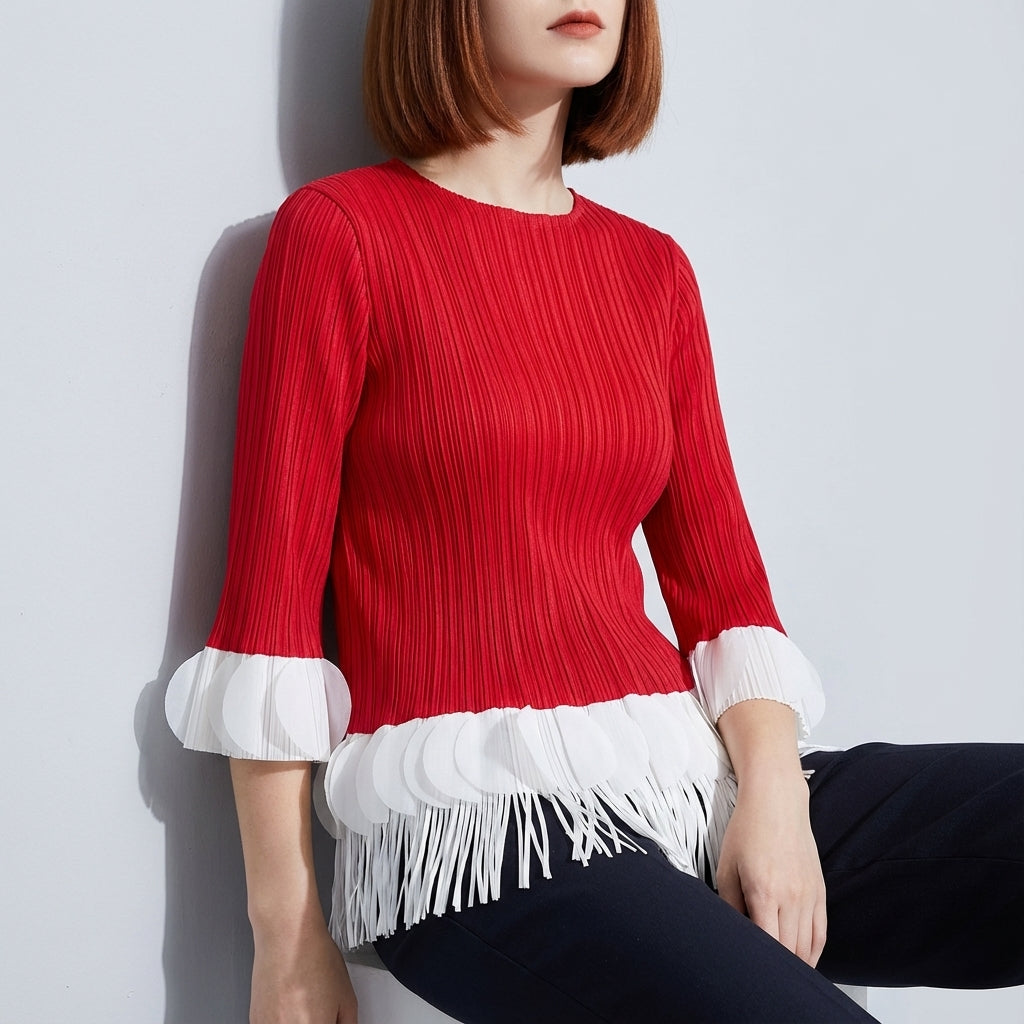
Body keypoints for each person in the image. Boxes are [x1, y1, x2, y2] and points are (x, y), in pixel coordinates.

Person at [164, 2, 1024, 1021]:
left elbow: (725, 592)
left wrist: (776, 797)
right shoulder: (342, 234)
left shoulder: (650, 269)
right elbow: (269, 613)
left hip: (681, 779)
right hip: (478, 831)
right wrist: (287, 935)